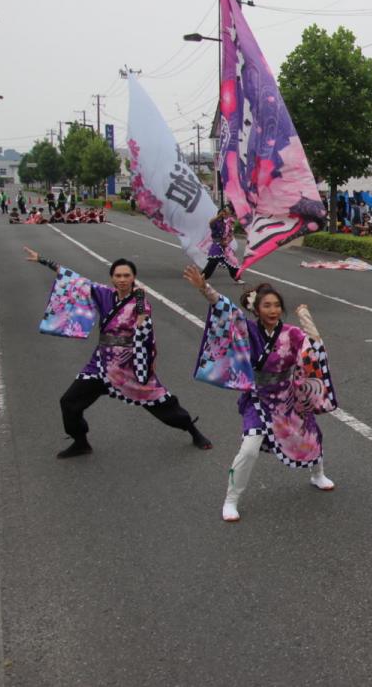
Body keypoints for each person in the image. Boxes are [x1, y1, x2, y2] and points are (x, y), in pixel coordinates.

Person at [24, 247, 211, 459]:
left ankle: (193, 430)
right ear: (112, 278)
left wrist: (142, 321)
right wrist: (43, 260)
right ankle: (80, 442)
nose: (122, 279)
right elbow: (74, 279)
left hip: (128, 365)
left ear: (134, 278)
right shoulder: (104, 294)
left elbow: (143, 316)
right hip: (101, 363)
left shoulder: (139, 299)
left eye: (126, 275)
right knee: (68, 402)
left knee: (161, 402)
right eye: (118, 275)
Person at [183, 267, 337, 522]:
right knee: (249, 449)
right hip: (259, 398)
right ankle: (231, 499)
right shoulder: (247, 329)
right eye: (267, 305)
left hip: (288, 396)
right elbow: (226, 309)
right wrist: (204, 288)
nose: (273, 310)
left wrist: (309, 329)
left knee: (309, 435)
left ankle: (317, 473)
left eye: (277, 305)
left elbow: (313, 352)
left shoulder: (292, 333)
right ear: (257, 309)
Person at [203, 208, 244, 283]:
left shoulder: (226, 224)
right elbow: (211, 223)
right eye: (225, 214)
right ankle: (202, 277)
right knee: (212, 263)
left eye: (227, 214)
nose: (227, 215)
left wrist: (227, 241)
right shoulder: (216, 223)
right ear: (221, 214)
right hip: (217, 246)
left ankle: (237, 277)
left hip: (225, 247)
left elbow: (230, 236)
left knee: (231, 262)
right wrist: (219, 216)